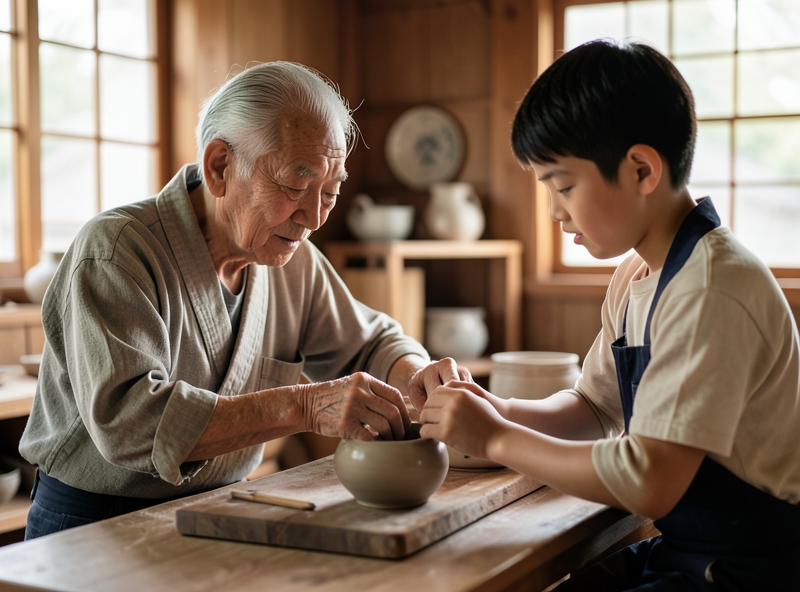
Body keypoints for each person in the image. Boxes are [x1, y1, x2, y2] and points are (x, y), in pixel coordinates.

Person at [19, 61, 467, 540]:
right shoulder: (116, 251)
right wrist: (307, 406)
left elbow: (370, 343)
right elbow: (131, 422)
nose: (313, 217)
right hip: (92, 525)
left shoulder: (293, 259)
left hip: (220, 512)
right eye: (296, 186)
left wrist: (417, 374)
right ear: (219, 167)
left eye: (330, 193)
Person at [418, 40, 800, 590]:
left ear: (642, 169)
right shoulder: (637, 274)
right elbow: (595, 408)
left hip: (750, 568)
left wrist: (497, 439)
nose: (552, 210)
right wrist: (500, 409)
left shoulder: (711, 287)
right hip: (687, 552)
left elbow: (650, 482)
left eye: (564, 186)